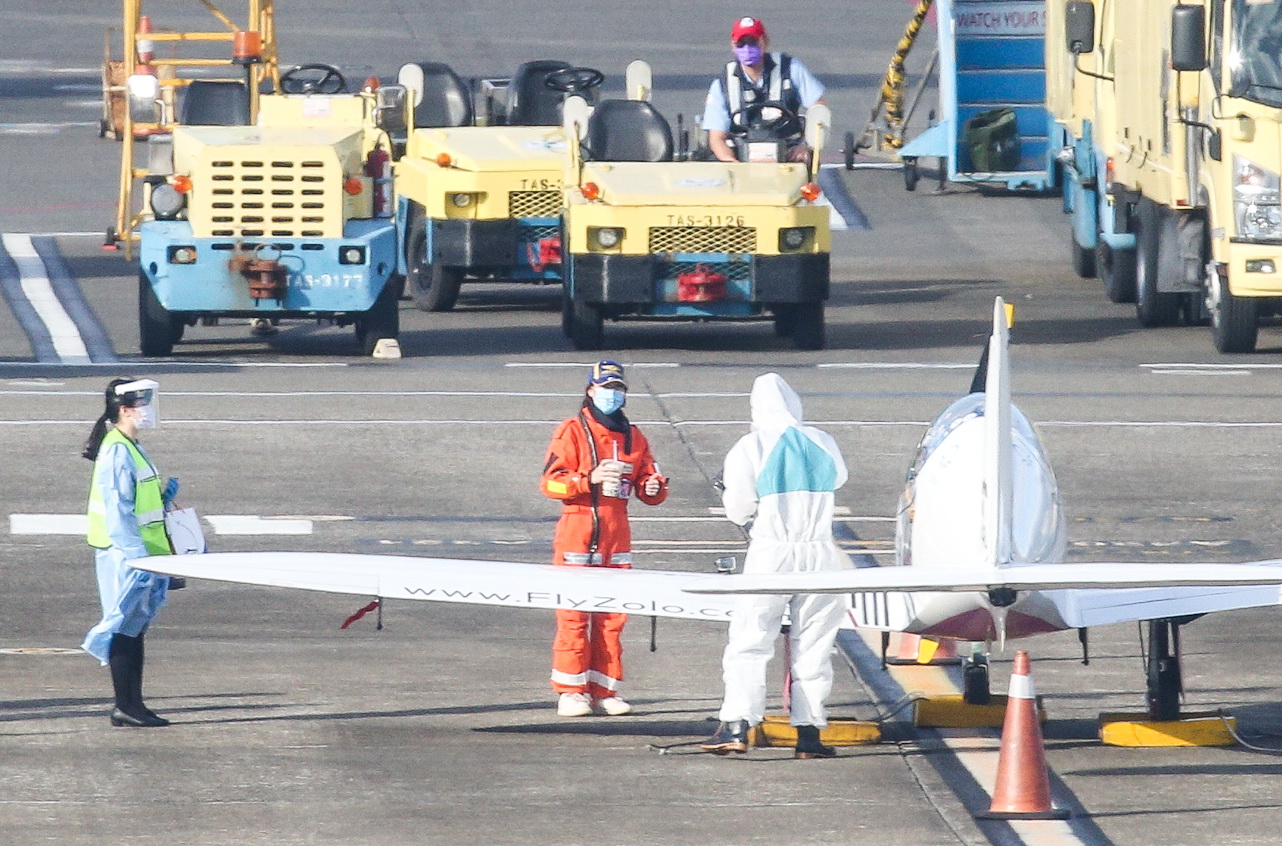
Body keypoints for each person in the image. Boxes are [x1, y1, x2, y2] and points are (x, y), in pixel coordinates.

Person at [701, 373, 851, 758]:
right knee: (815, 645)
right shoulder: (822, 440)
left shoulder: (750, 446)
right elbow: (840, 477)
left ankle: (737, 725)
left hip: (772, 552)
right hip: (820, 552)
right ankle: (809, 734)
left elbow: (738, 507)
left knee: (751, 640)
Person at [540, 361, 669, 717]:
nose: (613, 394)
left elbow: (649, 483)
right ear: (590, 390)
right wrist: (588, 479)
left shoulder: (634, 436)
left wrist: (653, 487)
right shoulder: (571, 431)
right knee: (574, 616)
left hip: (616, 534)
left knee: (613, 618)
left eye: (619, 389)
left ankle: (605, 689)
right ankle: (571, 690)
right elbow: (550, 482)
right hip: (576, 533)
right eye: (606, 387)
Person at [81, 377, 178, 728]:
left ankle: (133, 703)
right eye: (143, 405)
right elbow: (117, 508)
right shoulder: (118, 448)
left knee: (135, 627)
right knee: (123, 626)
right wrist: (136, 555)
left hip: (140, 550)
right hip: (124, 553)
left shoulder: (129, 444)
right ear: (125, 410)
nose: (149, 412)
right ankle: (125, 704)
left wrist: (163, 499)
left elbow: (137, 498)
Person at [701, 16, 827, 164]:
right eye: (741, 44)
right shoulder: (722, 84)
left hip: (787, 151)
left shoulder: (790, 69)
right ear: (733, 46)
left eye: (753, 42)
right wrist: (731, 161)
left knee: (807, 163)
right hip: (740, 152)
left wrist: (805, 145)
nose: (747, 49)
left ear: (765, 42)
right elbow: (716, 138)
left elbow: (819, 108)